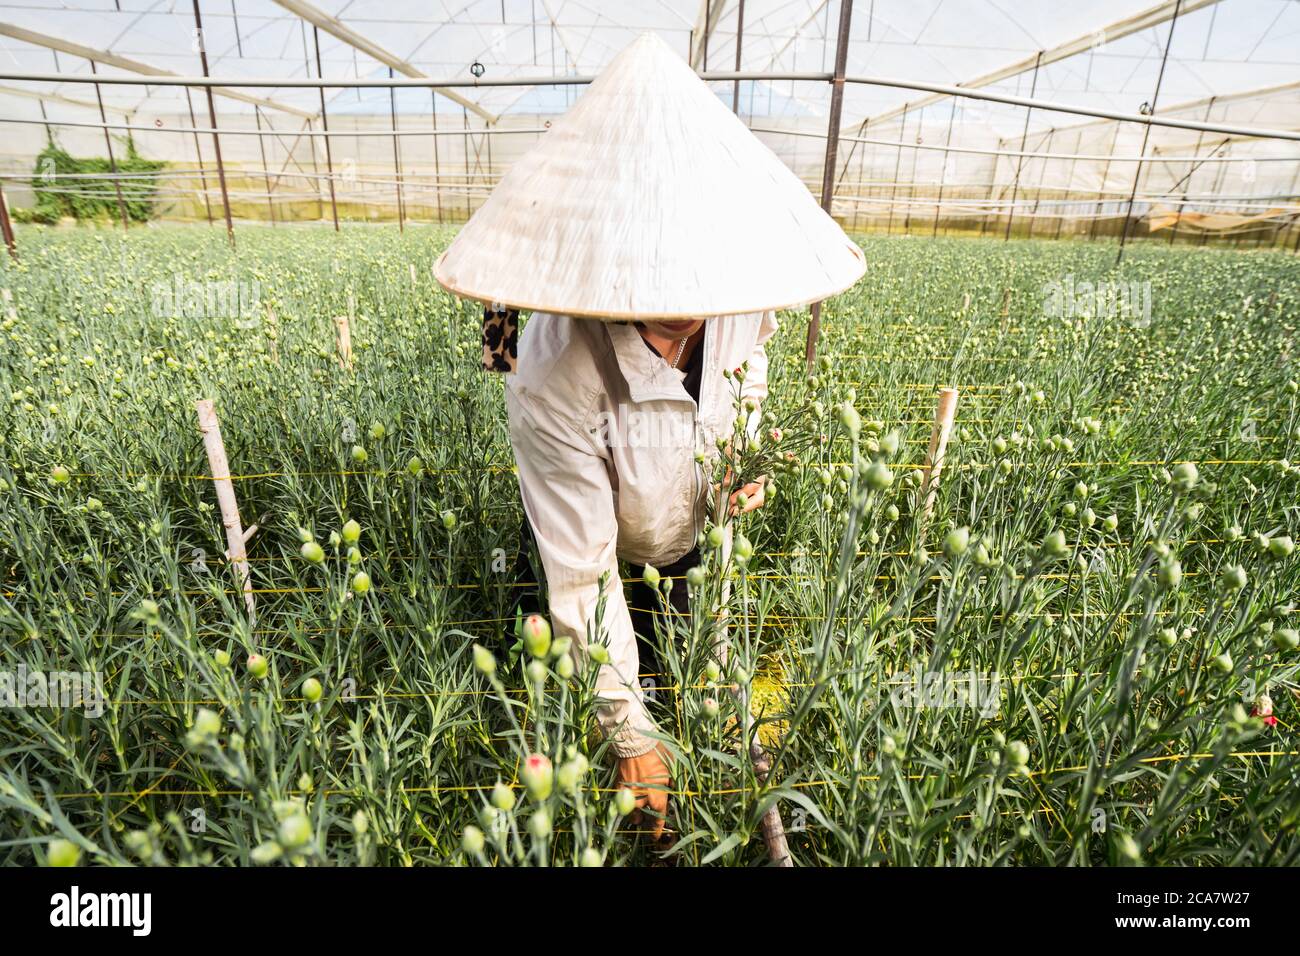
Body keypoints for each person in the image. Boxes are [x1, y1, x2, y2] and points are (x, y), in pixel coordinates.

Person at [433, 32, 865, 841]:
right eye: (659, 276)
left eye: (696, 275)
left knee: (701, 659)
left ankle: (689, 674)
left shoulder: (740, 294)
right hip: (599, 535)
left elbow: (751, 365)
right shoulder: (554, 372)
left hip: (689, 526)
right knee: (600, 657)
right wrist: (629, 738)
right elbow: (586, 574)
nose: (686, 298)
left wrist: (744, 457)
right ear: (611, 259)